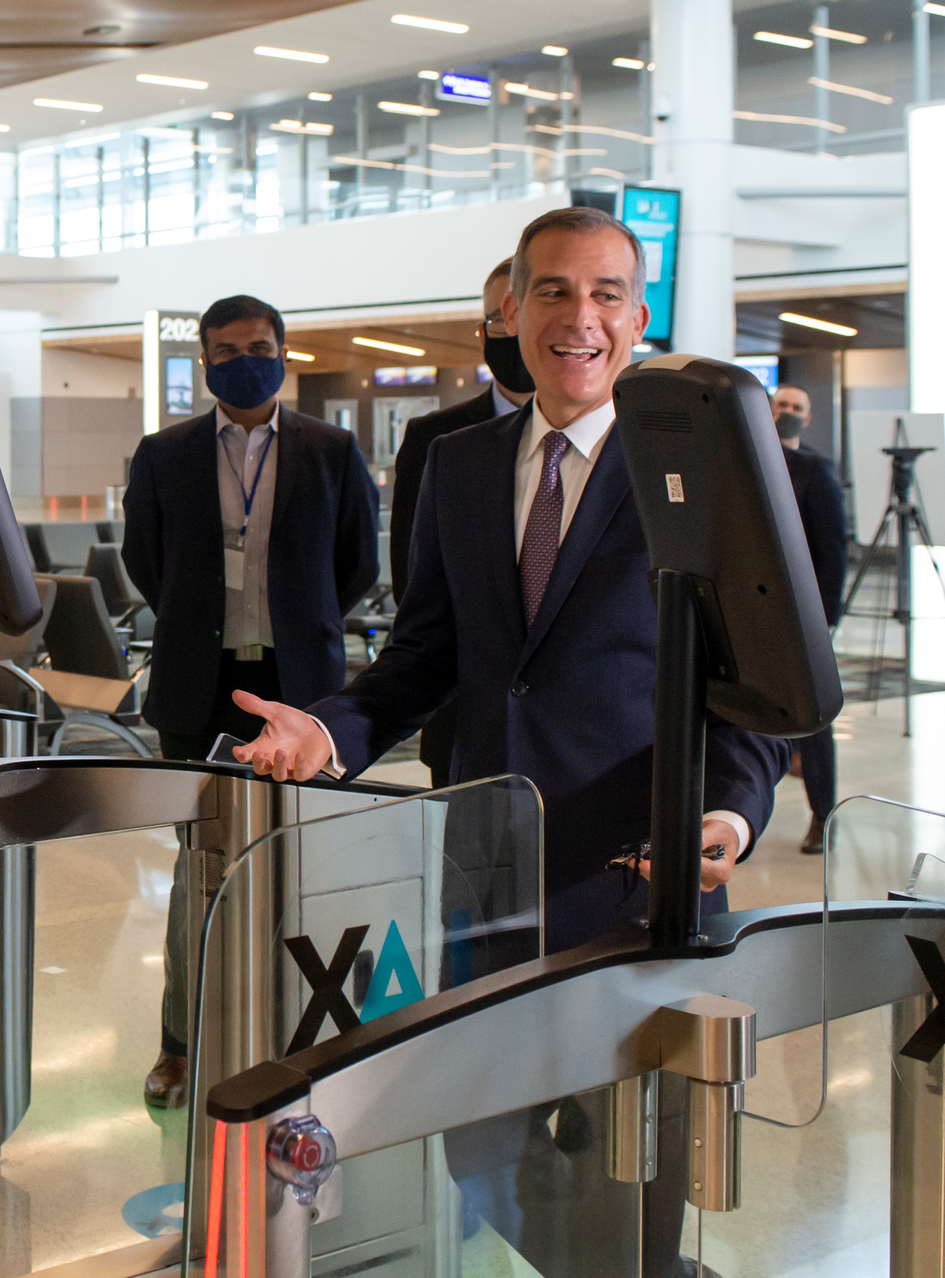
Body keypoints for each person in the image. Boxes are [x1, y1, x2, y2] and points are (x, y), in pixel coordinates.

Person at [229, 207, 789, 1274]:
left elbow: (755, 688)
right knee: (483, 1147)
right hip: (487, 871)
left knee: (632, 1169)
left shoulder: (701, 470)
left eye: (606, 294)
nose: (580, 318)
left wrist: (726, 810)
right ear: (512, 310)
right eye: (553, 292)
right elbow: (427, 656)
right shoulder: (462, 464)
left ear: (639, 314)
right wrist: (335, 729)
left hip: (640, 879)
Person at [121, 293, 379, 1108]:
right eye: (226, 349)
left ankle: (295, 1035)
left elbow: (358, 565)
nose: (244, 359)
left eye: (259, 345)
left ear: (284, 352)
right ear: (204, 362)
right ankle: (180, 1044)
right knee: (200, 869)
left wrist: (301, 625)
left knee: (302, 863)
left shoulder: (332, 451)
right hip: (199, 688)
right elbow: (144, 560)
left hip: (299, 689)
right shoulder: (164, 454)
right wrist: (203, 621)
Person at [391, 258, 536, 787]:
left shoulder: (648, 448)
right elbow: (416, 587)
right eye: (502, 320)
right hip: (464, 718)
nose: (514, 331)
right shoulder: (441, 444)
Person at [774, 383, 849, 853]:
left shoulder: (815, 471)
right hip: (753, 614)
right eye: (781, 405)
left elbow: (832, 552)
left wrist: (824, 622)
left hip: (804, 620)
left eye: (795, 408)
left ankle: (823, 815)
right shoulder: (742, 463)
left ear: (807, 416)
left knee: (814, 719)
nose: (786, 413)